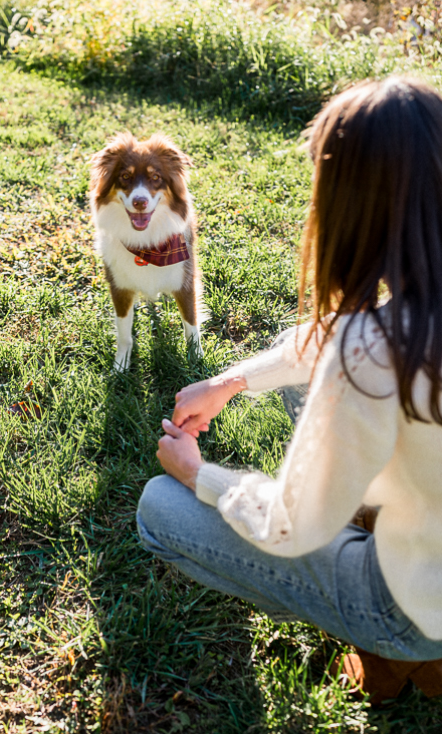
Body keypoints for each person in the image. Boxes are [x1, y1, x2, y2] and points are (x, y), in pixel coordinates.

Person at [139, 76, 442, 705]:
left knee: (156, 510)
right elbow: (328, 340)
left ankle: (400, 656)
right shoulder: (391, 327)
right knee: (297, 362)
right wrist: (231, 381)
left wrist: (199, 476)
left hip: (416, 605)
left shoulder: (372, 349)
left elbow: (290, 528)